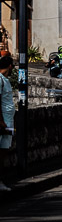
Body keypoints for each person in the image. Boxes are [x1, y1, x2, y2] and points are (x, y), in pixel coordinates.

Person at [0, 54, 15, 191]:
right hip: (3, 121)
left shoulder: (4, 80)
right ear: (9, 66)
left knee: (4, 150)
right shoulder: (0, 80)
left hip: (7, 120)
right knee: (1, 151)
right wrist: (1, 122)